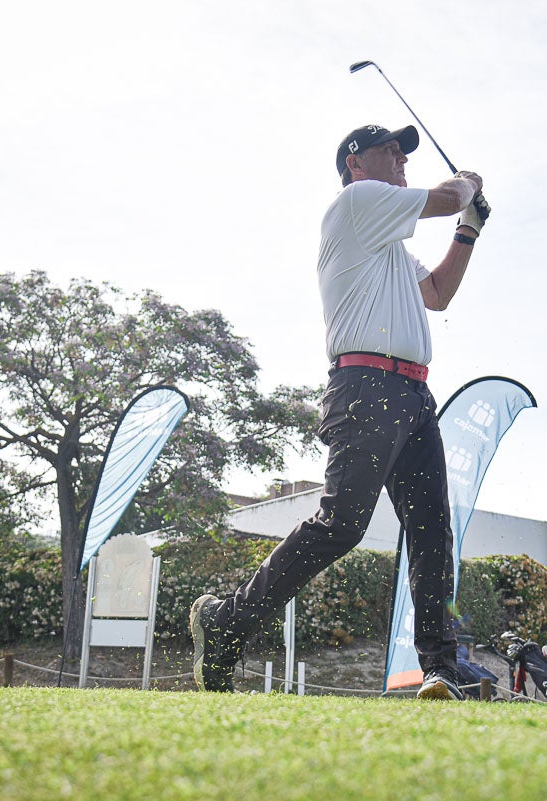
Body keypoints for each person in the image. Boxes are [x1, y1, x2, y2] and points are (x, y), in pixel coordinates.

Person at [191, 123, 488, 699]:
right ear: (356, 163)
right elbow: (448, 195)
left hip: (413, 394)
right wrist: (467, 190)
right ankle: (228, 621)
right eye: (390, 151)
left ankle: (441, 668)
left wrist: (468, 231)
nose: (402, 160)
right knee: (343, 525)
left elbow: (439, 295)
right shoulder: (356, 204)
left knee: (432, 534)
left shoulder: (392, 246)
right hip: (365, 385)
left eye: (405, 153)